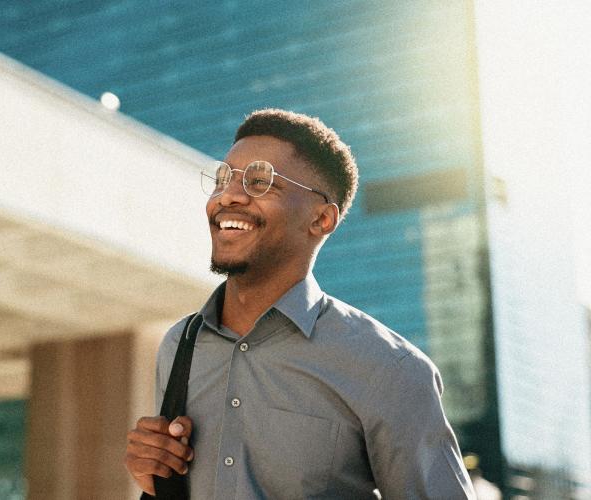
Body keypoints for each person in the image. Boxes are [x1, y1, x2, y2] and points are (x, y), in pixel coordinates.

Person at [125, 109, 474, 499]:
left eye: (260, 182)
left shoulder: (391, 369)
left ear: (322, 219)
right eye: (224, 179)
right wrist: (154, 477)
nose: (229, 196)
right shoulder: (179, 344)